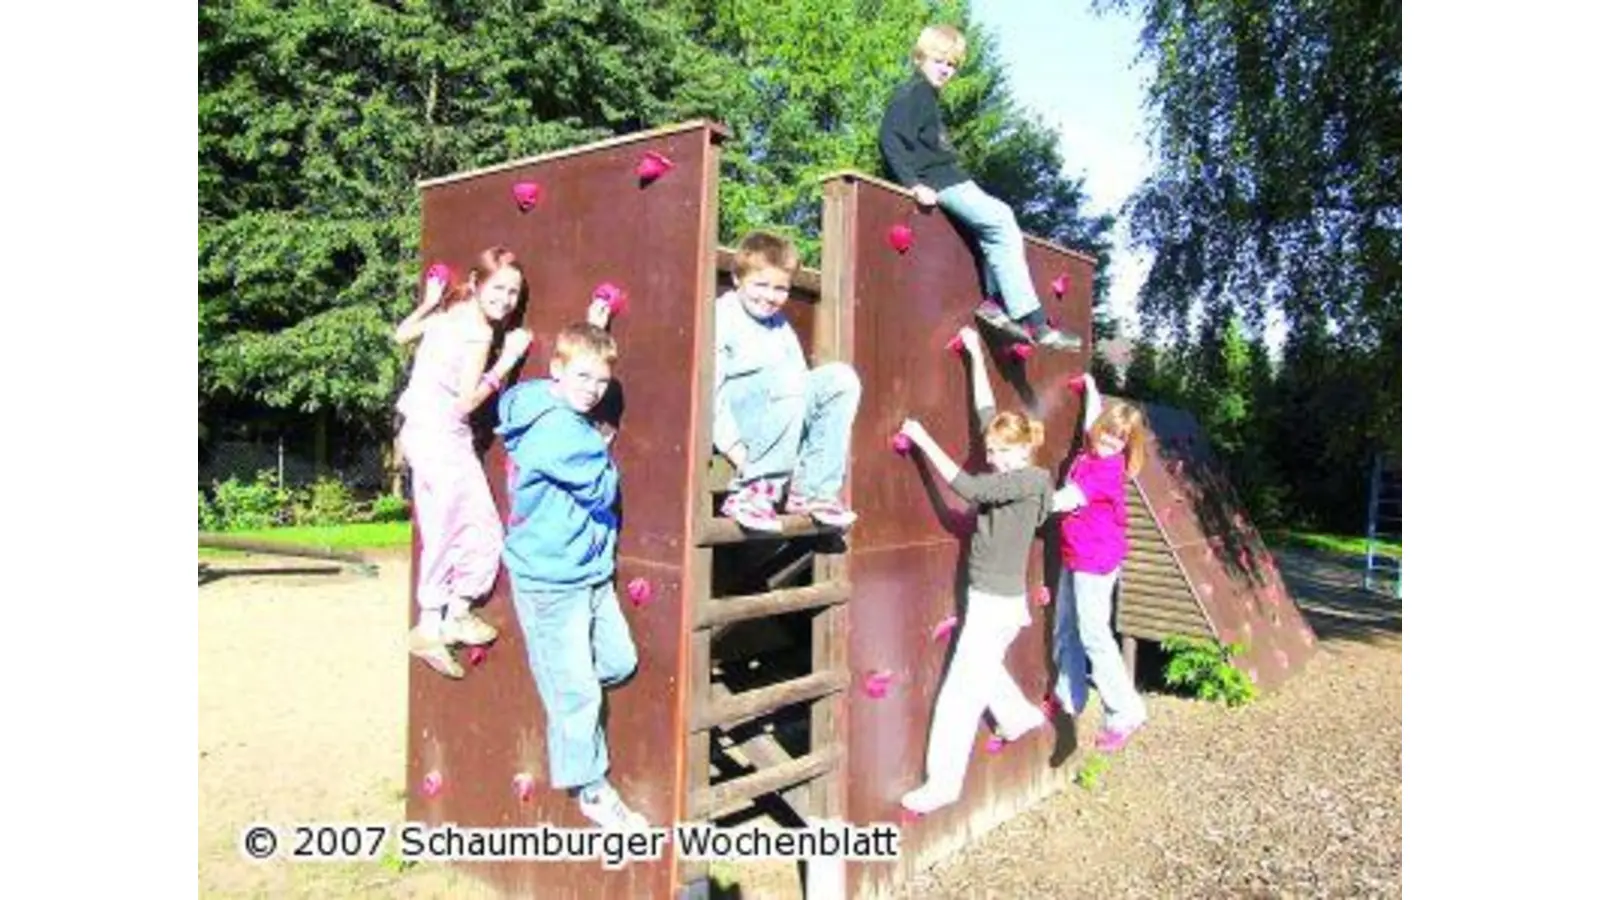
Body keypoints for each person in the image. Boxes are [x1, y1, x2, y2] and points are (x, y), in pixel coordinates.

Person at [495, 299, 648, 828]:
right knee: (577, 691)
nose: (592, 389)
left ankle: (567, 694)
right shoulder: (559, 432)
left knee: (618, 662)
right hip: (550, 580)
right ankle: (590, 787)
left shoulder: (549, 402)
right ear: (555, 370)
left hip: (589, 574)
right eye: (582, 376)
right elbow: (604, 488)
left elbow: (582, 367)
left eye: (601, 382)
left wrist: (596, 326)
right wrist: (602, 448)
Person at [894, 326, 1053, 814]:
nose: (994, 457)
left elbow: (965, 486)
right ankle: (1018, 713)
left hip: (994, 603)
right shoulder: (1019, 468)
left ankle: (942, 784)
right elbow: (987, 414)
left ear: (1026, 450)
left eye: (1004, 451)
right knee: (980, 669)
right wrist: (975, 356)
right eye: (994, 450)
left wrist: (921, 439)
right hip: (997, 602)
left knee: (961, 692)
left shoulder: (1023, 481)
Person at [878, 23, 1082, 352]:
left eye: (952, 64)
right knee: (1000, 219)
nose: (945, 69)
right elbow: (889, 139)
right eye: (939, 61)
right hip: (940, 181)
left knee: (994, 226)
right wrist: (913, 184)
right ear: (920, 58)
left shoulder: (927, 96)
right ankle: (1037, 323)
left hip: (951, 179)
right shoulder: (913, 92)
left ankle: (996, 304)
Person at [394, 246, 532, 679]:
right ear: (476, 284)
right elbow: (465, 403)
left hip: (419, 431)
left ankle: (440, 620)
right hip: (441, 435)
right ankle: (442, 618)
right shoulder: (477, 332)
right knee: (473, 527)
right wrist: (507, 360)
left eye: (514, 292)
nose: (507, 299)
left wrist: (430, 301)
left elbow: (400, 335)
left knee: (448, 523)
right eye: (499, 288)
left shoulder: (447, 317)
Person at [713, 230, 861, 532]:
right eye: (761, 284)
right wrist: (736, 451)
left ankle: (813, 490)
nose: (770, 296)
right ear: (737, 278)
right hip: (737, 426)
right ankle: (753, 493)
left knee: (841, 379)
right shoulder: (722, 316)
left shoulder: (780, 327)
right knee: (785, 375)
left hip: (778, 425)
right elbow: (709, 391)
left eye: (781, 288)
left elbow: (801, 391)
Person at [1051, 372, 1151, 752]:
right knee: (1064, 626)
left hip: (1096, 560)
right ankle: (1070, 696)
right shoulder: (1092, 450)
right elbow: (1095, 420)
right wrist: (1091, 389)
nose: (1110, 440)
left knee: (1093, 632)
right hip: (1075, 554)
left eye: (1119, 438)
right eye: (1108, 432)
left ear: (1128, 445)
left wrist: (1023, 501)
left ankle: (1125, 710)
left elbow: (1069, 498)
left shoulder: (1108, 471)